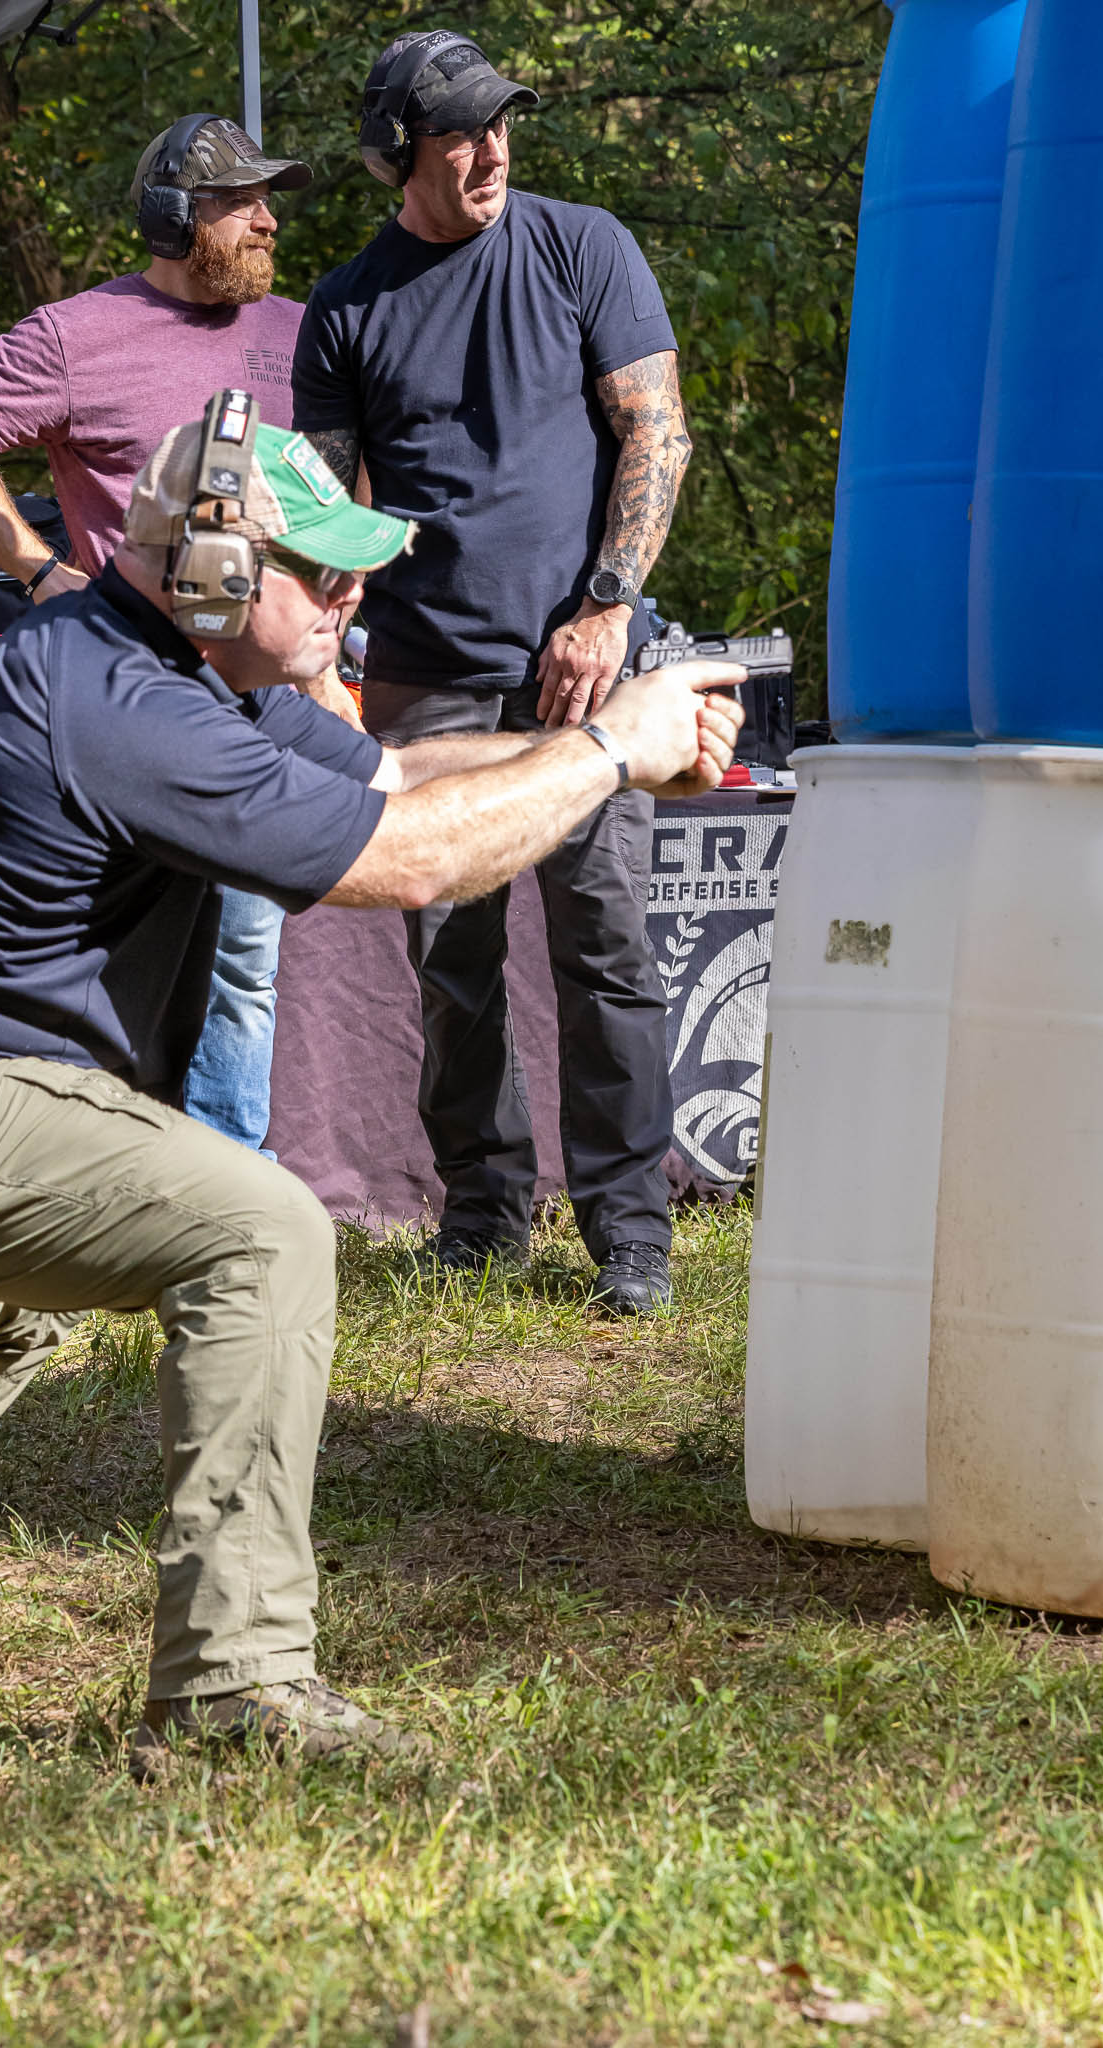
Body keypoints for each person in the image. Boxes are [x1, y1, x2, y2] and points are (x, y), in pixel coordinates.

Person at [0, 404, 744, 1768]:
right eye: (321, 568)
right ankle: (234, 1690)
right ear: (211, 568)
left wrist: (604, 751)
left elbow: (402, 773)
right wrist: (607, 753)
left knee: (1, 1312)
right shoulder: (124, 705)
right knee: (263, 1228)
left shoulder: (165, 671)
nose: (355, 593)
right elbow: (410, 860)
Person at [293, 31, 697, 1314]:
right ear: (396, 156)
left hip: (580, 663)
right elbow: (318, 503)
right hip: (422, 678)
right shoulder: (345, 304)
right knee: (452, 957)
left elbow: (656, 434)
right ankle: (481, 1214)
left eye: (499, 123)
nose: (490, 149)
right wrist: (323, 605)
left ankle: (629, 1233)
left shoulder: (582, 245)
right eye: (459, 132)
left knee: (605, 946)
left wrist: (603, 609)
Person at [0, 114, 343, 1159]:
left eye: (266, 201)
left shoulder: (302, 328)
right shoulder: (73, 336)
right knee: (101, 963)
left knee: (242, 960)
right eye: (242, 204)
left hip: (264, 692)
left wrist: (334, 612)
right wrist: (41, 571)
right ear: (171, 218)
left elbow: (344, 473)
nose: (268, 221)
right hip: (124, 698)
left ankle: (227, 1188)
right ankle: (79, 1188)